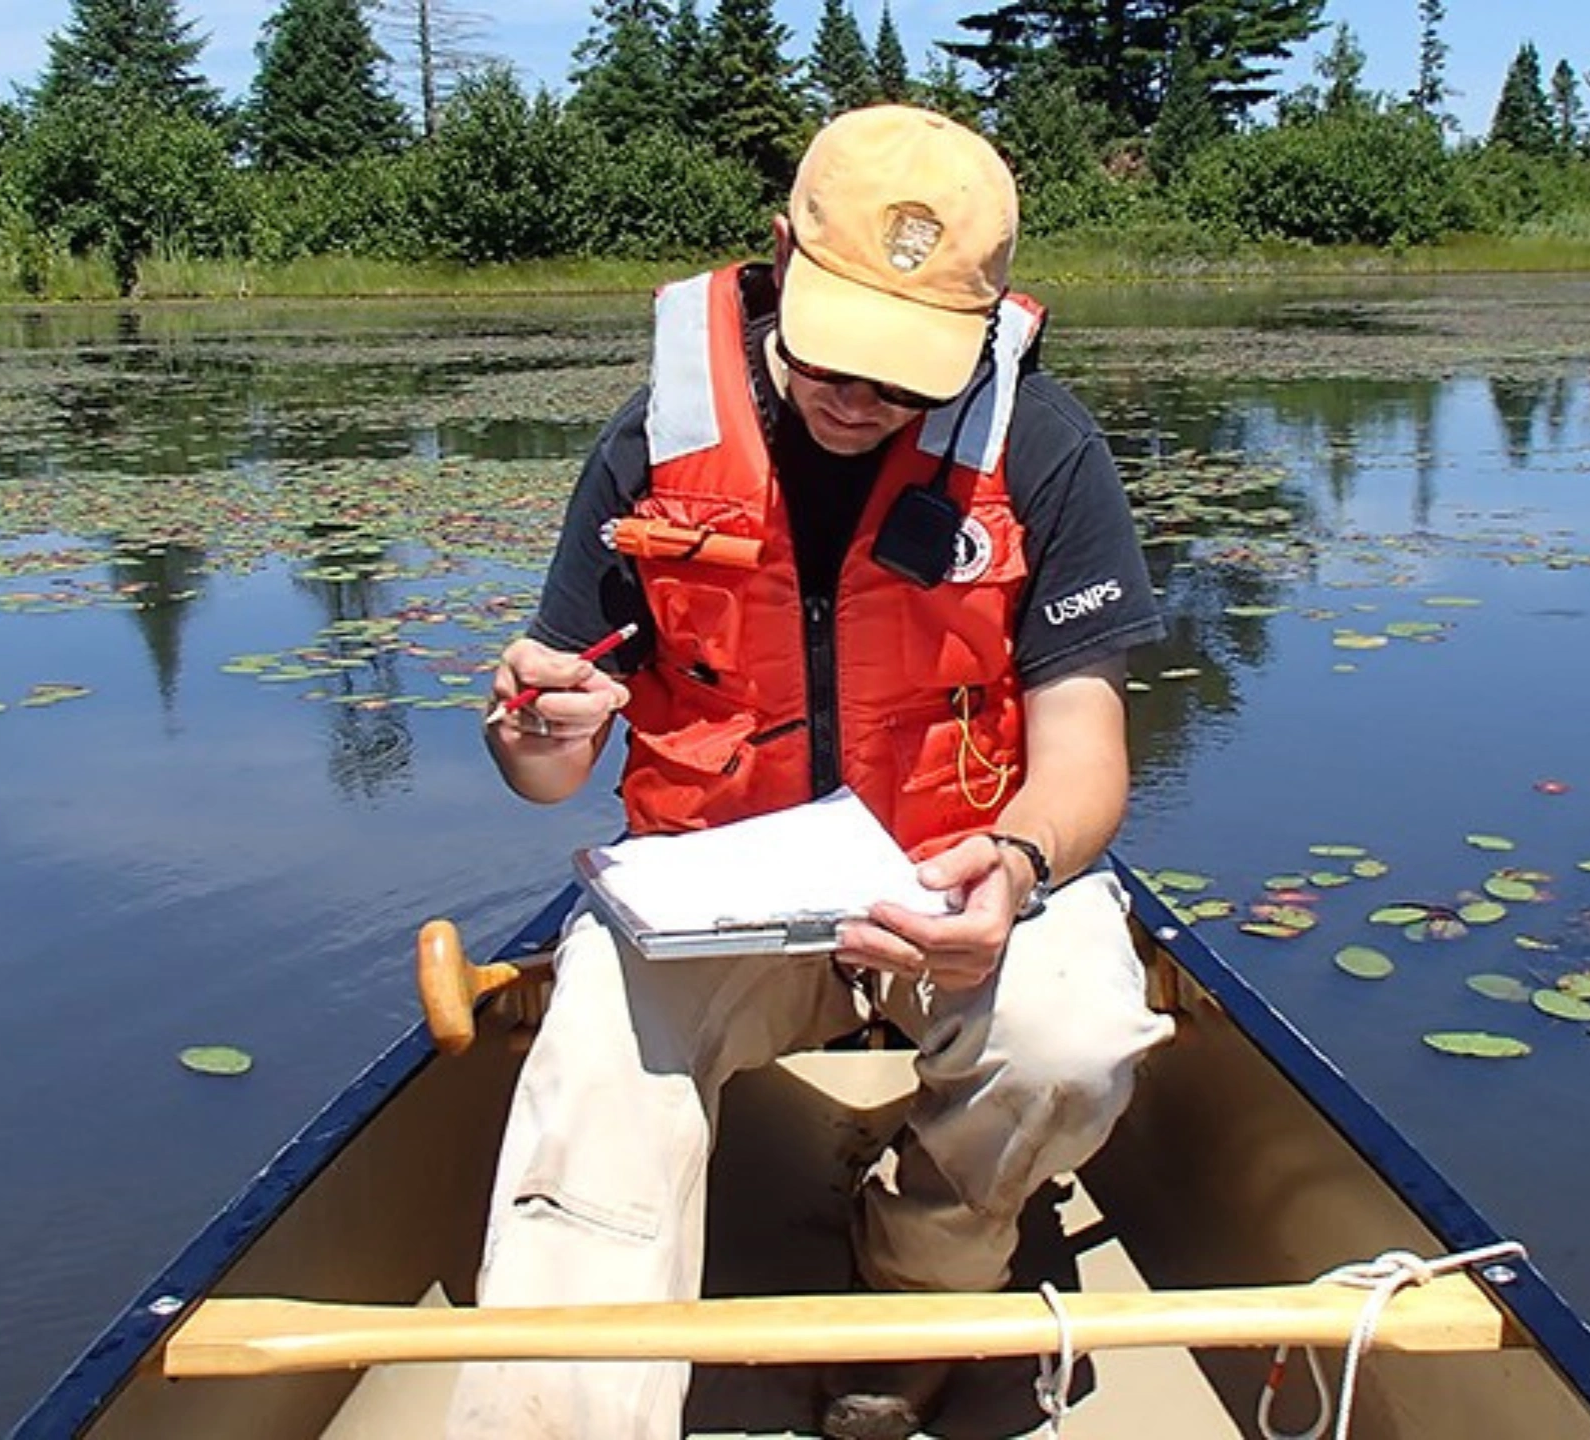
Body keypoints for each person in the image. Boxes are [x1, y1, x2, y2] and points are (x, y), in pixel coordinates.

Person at [449, 103, 1175, 1440]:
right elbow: (547, 764)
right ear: (779, 255)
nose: (863, 399)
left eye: (910, 373)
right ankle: (558, 1410)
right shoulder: (651, 445)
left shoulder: (1047, 449)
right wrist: (534, 741)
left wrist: (1014, 863)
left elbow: (1083, 753)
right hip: (710, 905)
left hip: (947, 887)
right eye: (840, 353)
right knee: (594, 1068)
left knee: (1077, 1040)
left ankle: (916, 1290)